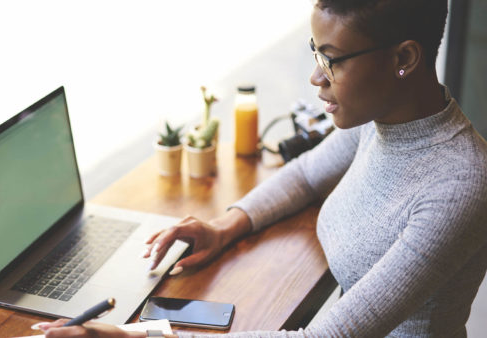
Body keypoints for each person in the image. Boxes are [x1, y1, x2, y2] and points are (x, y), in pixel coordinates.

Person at [41, 0, 487, 336]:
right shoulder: (383, 118)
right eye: (316, 52)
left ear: (403, 60)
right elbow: (308, 174)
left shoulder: (458, 185)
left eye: (332, 59)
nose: (316, 77)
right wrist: (225, 226)